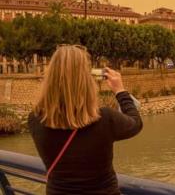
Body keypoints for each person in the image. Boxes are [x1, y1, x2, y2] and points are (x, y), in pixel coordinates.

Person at [28, 44, 143, 195]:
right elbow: (136, 123)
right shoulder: (105, 119)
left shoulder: (35, 119)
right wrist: (120, 91)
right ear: (86, 80)